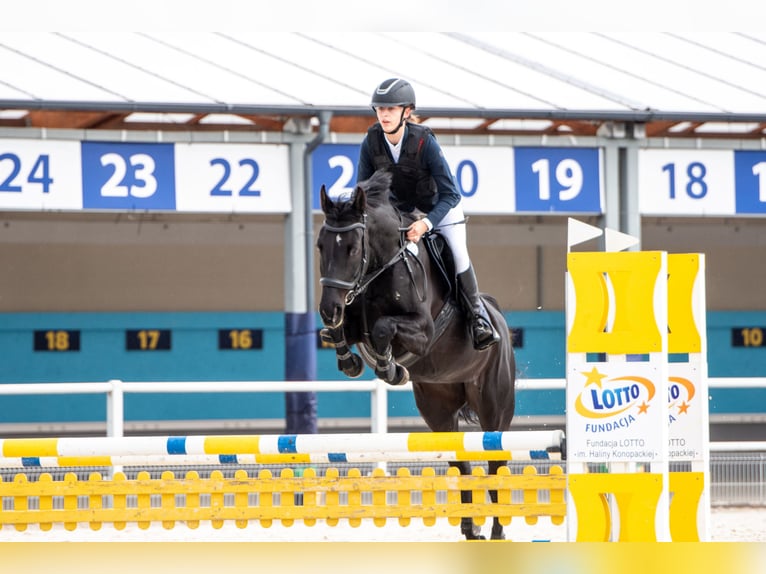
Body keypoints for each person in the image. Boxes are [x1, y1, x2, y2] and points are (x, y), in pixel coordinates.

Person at [356, 78, 500, 351]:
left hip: (439, 209)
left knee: (457, 253)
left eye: (391, 109)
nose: (384, 115)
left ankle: (478, 317)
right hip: (401, 213)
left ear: (406, 112)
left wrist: (427, 223)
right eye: (380, 109)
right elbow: (364, 194)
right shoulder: (371, 142)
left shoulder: (424, 142)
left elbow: (451, 194)